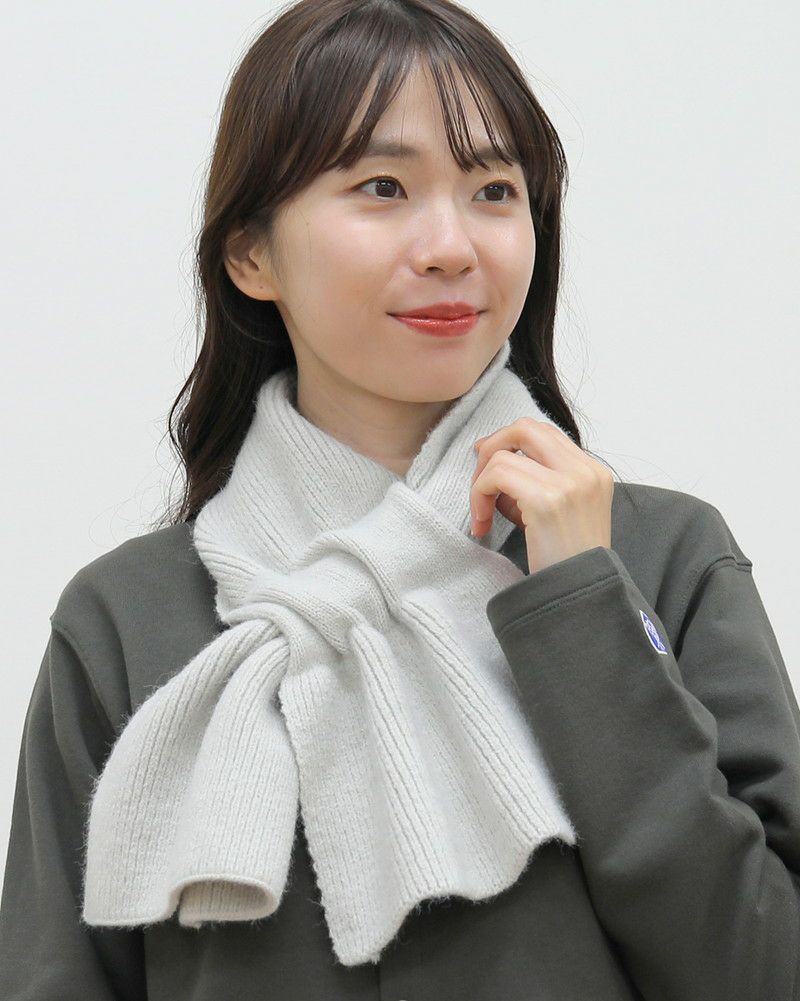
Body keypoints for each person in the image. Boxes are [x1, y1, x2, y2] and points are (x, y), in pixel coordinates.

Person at [2, 0, 799, 997]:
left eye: (493, 190)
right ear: (250, 254)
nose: (451, 245)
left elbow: (762, 970)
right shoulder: (127, 618)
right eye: (382, 186)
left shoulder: (659, 556)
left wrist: (584, 619)